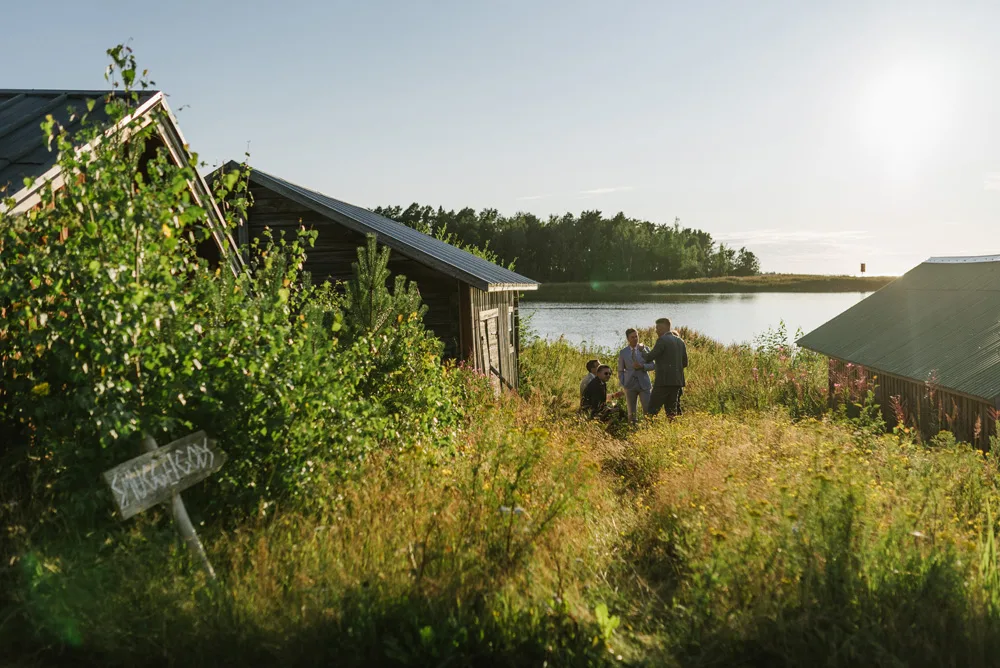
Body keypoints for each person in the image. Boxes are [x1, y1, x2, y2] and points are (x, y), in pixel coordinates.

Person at [643, 318, 688, 418]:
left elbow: (649, 357)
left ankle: (647, 429)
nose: (656, 330)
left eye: (658, 328)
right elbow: (685, 363)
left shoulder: (662, 340)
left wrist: (642, 350)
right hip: (676, 382)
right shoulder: (680, 341)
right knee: (671, 410)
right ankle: (673, 429)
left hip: (663, 382)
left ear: (664, 328)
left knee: (652, 409)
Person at [617, 328, 654, 424]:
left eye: (636, 336)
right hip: (629, 385)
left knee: (648, 409)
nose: (635, 339)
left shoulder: (645, 349)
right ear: (628, 339)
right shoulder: (623, 352)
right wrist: (623, 383)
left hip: (644, 384)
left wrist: (643, 366)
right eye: (632, 337)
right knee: (631, 413)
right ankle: (632, 429)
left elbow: (653, 365)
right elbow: (620, 370)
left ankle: (649, 429)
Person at [670, 330, 684, 415]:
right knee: (675, 403)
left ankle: (676, 419)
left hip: (676, 382)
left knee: (676, 402)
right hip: (675, 381)